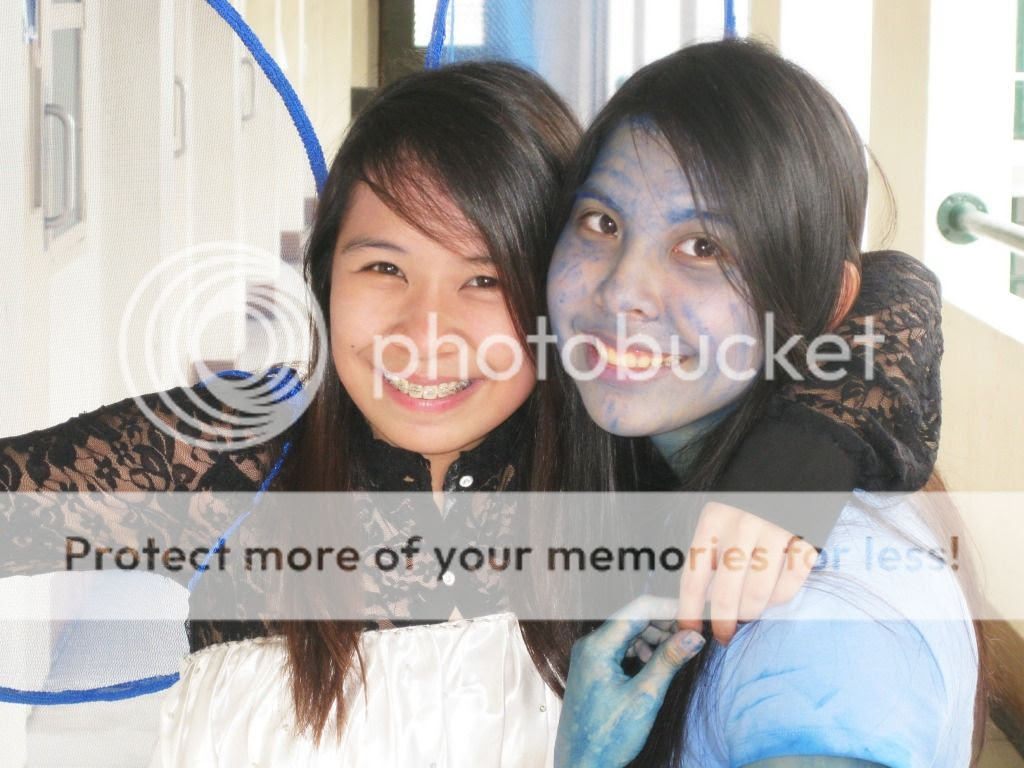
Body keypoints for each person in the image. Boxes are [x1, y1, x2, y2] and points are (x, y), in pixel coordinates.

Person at [0, 59, 947, 764]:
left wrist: (801, 450)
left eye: (485, 278)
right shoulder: (233, 457)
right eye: (383, 267)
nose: (427, 333)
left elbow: (890, 286)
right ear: (323, 277)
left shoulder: (611, 452)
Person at [546, 39, 981, 767]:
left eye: (703, 247)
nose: (621, 291)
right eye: (602, 222)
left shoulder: (820, 634)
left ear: (825, 302)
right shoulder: (653, 458)